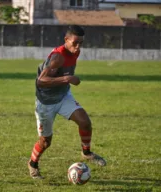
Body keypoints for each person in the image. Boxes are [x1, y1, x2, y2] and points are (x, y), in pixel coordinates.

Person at [28, 25, 106, 179]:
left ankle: (86, 152)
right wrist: (67, 79)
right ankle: (33, 164)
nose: (77, 47)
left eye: (81, 43)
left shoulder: (74, 52)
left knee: (85, 122)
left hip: (63, 96)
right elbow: (41, 81)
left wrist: (66, 81)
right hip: (46, 103)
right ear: (66, 40)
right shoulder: (58, 56)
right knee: (45, 141)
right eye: (75, 43)